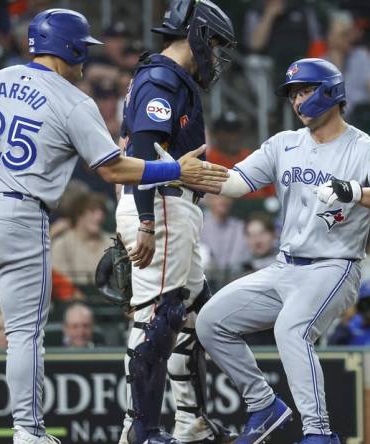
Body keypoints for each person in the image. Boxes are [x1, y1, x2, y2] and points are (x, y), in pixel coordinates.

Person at [0, 8, 229, 444]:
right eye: (82, 50)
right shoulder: (72, 100)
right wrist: (172, 172)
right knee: (25, 334)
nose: (84, 61)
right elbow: (113, 169)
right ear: (67, 48)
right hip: (19, 215)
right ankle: (28, 431)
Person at [196, 58, 370, 444]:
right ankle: (264, 406)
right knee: (211, 321)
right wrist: (181, 172)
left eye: (305, 90)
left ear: (331, 92)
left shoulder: (365, 148)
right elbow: (233, 183)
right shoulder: (284, 143)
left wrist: (358, 191)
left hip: (334, 265)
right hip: (284, 266)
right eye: (294, 93)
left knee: (291, 329)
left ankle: (318, 433)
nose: (297, 100)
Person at [115, 1, 237, 442]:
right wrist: (145, 221)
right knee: (158, 316)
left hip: (171, 203)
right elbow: (145, 147)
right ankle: (140, 429)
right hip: (161, 204)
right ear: (199, 35)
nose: (218, 55)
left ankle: (190, 423)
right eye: (216, 44)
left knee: (194, 314)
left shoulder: (167, 76)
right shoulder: (163, 76)